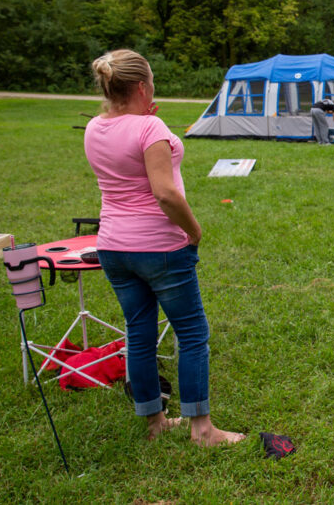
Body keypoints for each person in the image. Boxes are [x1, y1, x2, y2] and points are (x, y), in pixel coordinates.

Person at [84, 49, 244, 446]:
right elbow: (165, 194)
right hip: (159, 247)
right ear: (142, 86)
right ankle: (202, 430)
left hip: (113, 247)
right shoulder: (149, 128)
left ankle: (155, 421)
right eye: (152, 81)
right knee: (191, 332)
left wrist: (148, 120)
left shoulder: (94, 127)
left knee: (138, 332)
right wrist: (194, 230)